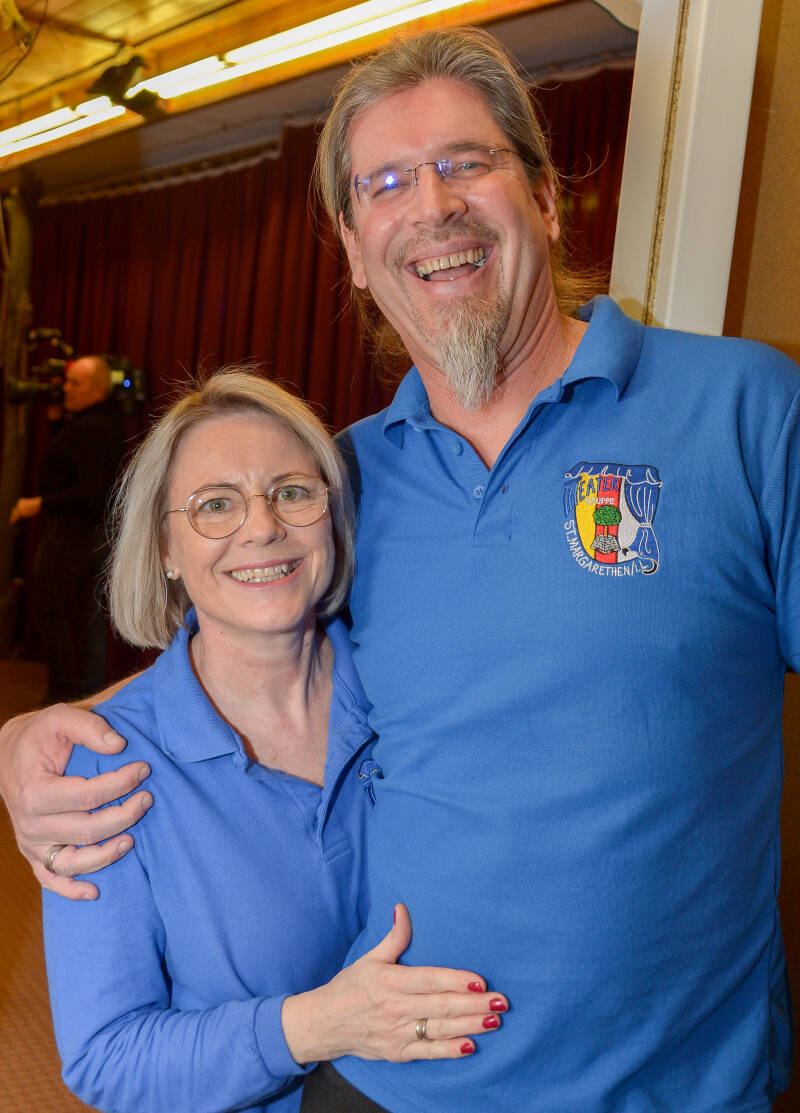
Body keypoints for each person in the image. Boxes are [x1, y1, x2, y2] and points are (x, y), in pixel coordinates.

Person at [1, 25, 799, 1113]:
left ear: (546, 198)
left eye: (465, 161)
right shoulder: (343, 481)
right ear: (351, 246)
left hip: (673, 1089)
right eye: (385, 182)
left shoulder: (745, 409)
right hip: (384, 1084)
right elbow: (246, 650)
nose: (431, 204)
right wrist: (42, 732)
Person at [40, 367, 506, 1113]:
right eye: (215, 504)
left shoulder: (412, 692)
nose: (261, 527)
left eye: (292, 492)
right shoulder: (107, 766)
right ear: (164, 548)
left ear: (334, 519)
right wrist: (318, 1024)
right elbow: (108, 1059)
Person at [9, 355, 125, 701]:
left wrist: (39, 504)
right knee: (88, 620)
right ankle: (84, 697)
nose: (66, 389)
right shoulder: (105, 422)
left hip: (74, 534)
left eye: (76, 383)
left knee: (49, 610)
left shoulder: (91, 428)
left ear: (98, 390)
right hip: (97, 534)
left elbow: (91, 491)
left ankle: (61, 695)